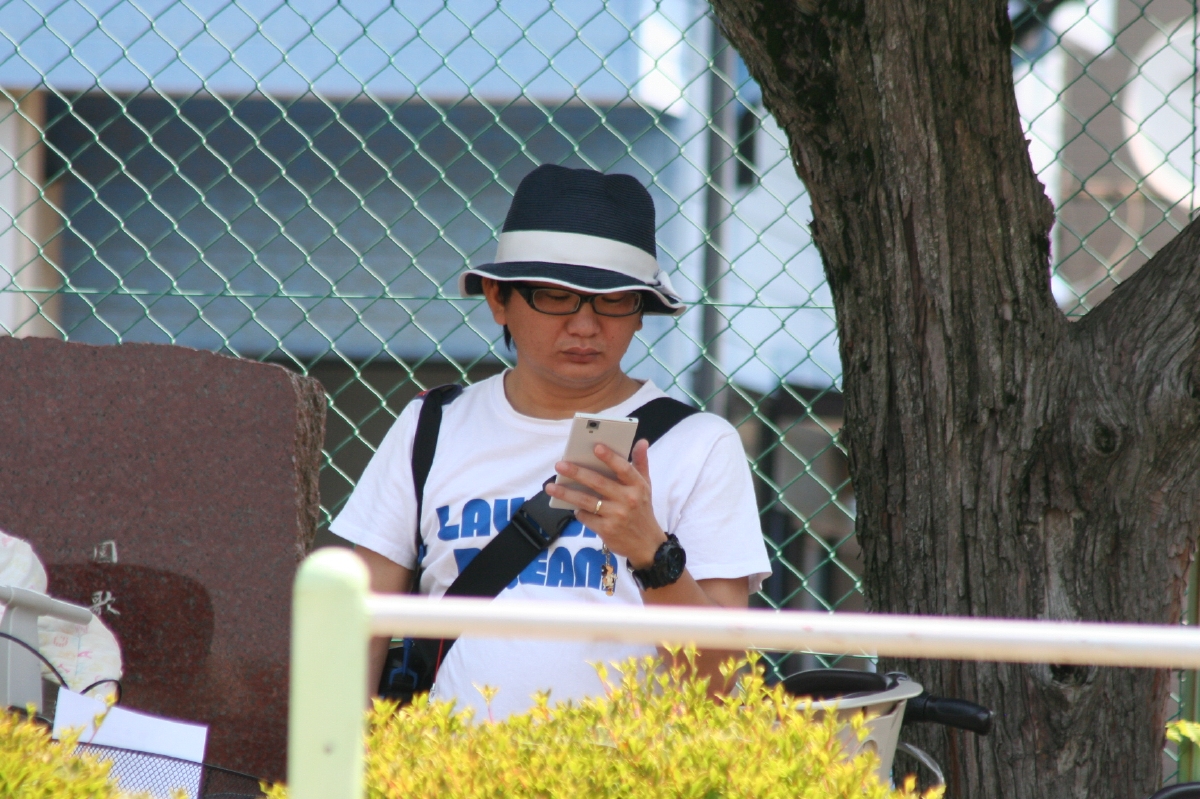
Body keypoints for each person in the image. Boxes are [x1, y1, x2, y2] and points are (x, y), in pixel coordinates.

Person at [330, 164, 771, 720]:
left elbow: (721, 683)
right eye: (556, 296)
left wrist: (652, 554)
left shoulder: (699, 444)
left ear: (640, 313)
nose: (585, 325)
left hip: (626, 765)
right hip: (449, 762)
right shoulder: (431, 425)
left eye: (613, 299)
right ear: (498, 300)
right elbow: (361, 628)